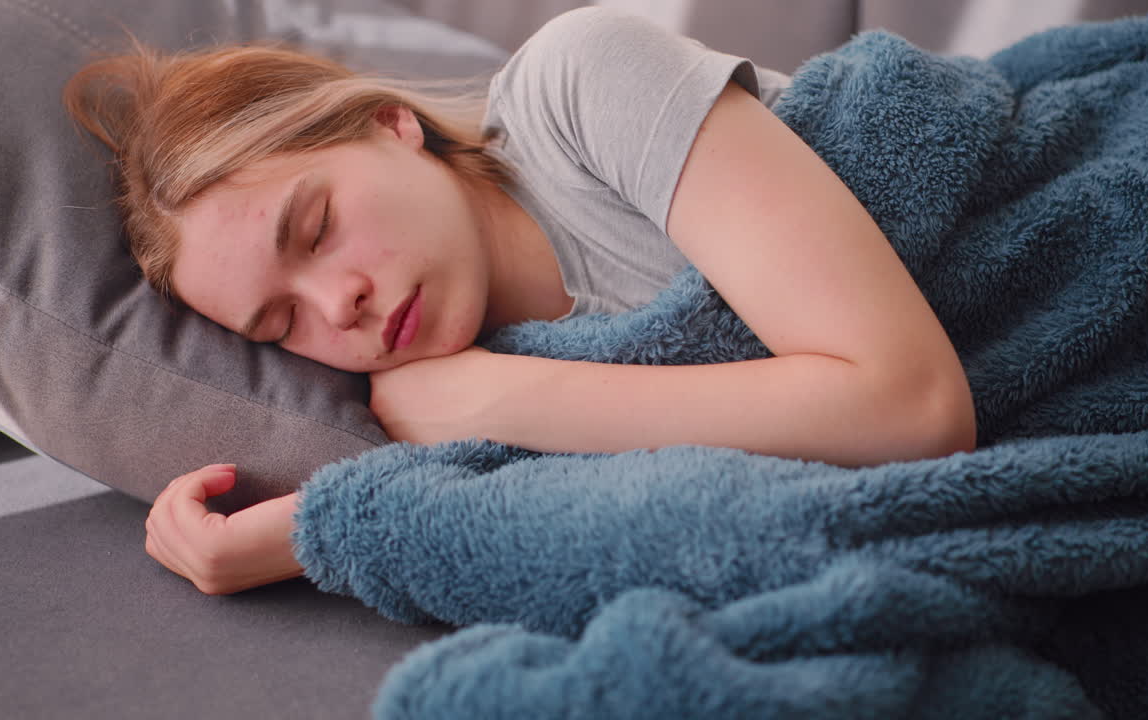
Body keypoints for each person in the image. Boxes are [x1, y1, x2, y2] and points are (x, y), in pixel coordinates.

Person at [64, 7, 977, 596]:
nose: (337, 306)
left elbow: (916, 406)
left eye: (316, 230)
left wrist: (497, 397)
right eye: (282, 322)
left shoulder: (581, 82)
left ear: (392, 124)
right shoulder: (435, 405)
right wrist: (306, 535)